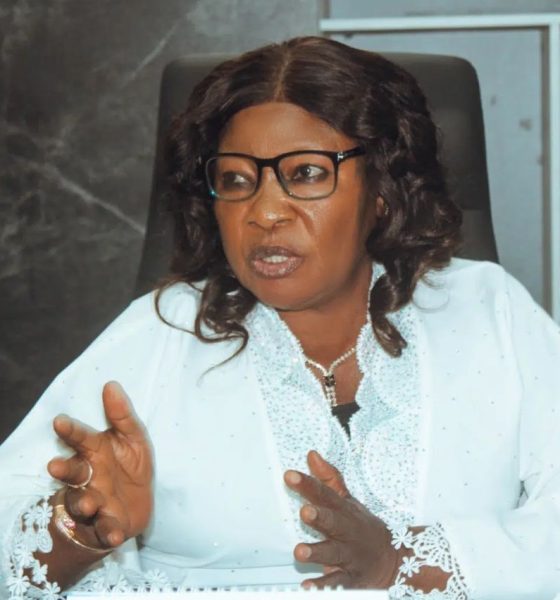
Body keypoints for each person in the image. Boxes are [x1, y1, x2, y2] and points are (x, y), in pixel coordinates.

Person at [1, 35, 559, 600]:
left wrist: (403, 564)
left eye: (308, 173)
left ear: (383, 190)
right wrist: (79, 528)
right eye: (236, 180)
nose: (264, 212)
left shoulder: (489, 310)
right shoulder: (162, 331)